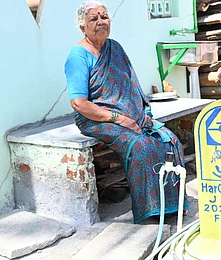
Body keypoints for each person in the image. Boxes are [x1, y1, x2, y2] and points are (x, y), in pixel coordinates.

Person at [64, 0, 188, 224]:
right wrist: (119, 118)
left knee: (170, 140)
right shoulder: (78, 57)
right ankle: (149, 212)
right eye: (94, 18)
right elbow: (79, 104)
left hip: (129, 114)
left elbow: (131, 83)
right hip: (96, 118)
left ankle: (172, 206)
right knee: (141, 146)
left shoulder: (115, 48)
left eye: (104, 16)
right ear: (83, 27)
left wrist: (142, 112)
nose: (101, 21)